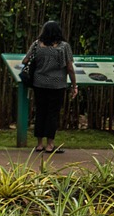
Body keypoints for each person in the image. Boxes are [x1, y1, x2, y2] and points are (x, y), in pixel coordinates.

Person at [24, 20, 78, 154]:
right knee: (52, 113)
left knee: (40, 112)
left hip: (39, 83)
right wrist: (74, 85)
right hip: (57, 84)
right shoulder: (64, 46)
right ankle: (50, 145)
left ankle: (39, 144)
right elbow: (69, 67)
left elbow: (25, 60)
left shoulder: (37, 44)